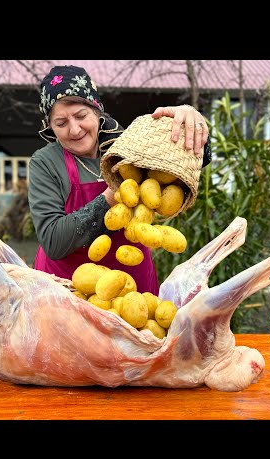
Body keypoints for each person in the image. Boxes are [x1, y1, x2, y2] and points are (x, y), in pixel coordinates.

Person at [28, 65, 212, 295]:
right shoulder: (45, 162)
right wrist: (111, 196)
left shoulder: (130, 145)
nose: (74, 130)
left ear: (97, 110)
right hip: (68, 291)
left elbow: (180, 168)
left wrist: (190, 121)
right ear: (50, 127)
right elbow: (53, 241)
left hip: (132, 287)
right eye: (61, 123)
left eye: (81, 116)